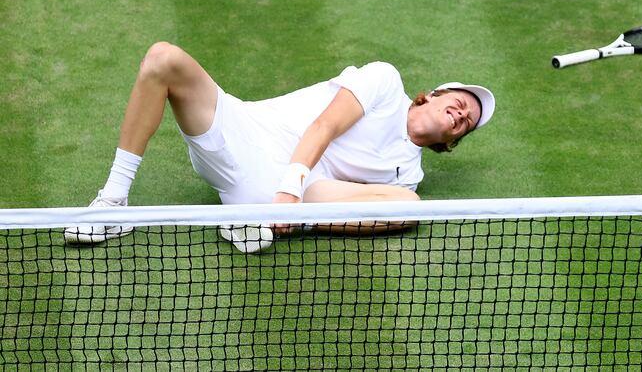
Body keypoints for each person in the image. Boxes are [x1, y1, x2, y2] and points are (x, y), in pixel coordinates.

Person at [64, 42, 495, 250]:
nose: (461, 115)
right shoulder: (385, 80)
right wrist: (290, 187)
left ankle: (265, 220)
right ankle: (112, 202)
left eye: (467, 123)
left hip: (274, 195)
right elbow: (324, 126)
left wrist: (290, 205)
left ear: (454, 140)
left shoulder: (410, 171)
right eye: (459, 104)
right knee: (163, 58)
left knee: (410, 204)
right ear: (432, 95)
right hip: (244, 133)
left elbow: (345, 196)